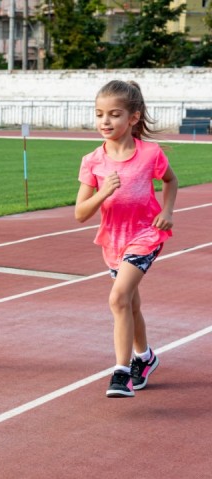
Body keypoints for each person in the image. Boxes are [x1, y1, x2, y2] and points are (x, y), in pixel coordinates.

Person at [75, 80, 178, 398]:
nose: (105, 121)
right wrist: (103, 192)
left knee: (118, 298)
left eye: (114, 114)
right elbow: (80, 213)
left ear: (133, 118)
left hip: (147, 234)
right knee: (130, 305)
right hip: (113, 241)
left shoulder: (150, 154)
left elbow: (171, 181)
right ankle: (145, 357)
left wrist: (168, 211)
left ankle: (121, 373)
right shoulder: (93, 160)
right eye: (99, 114)